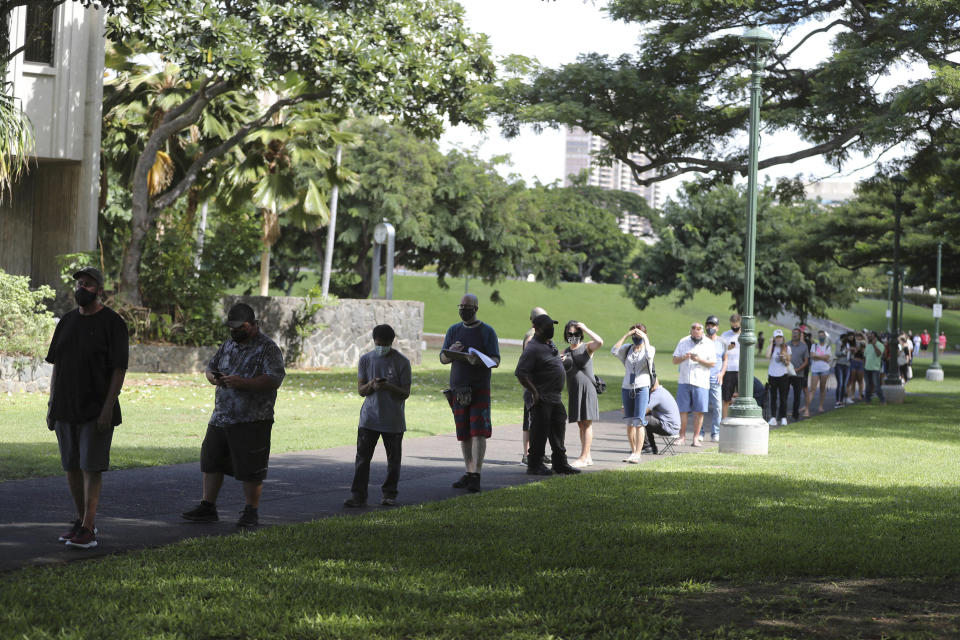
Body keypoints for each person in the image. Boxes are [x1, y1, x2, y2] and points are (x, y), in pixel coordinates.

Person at [45, 267, 128, 549]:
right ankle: (81, 522)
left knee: (91, 467)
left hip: (96, 409)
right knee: (71, 466)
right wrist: (51, 404)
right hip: (65, 407)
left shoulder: (113, 323)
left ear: (99, 290)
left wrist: (108, 407)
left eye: (88, 284)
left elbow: (119, 369)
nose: (82, 288)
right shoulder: (66, 322)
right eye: (79, 283)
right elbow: (57, 366)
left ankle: (89, 528)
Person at [182, 303, 286, 528]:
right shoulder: (228, 345)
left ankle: (251, 511)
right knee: (211, 460)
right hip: (221, 416)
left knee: (251, 468)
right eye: (232, 327)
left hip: (252, 419)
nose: (234, 331)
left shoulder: (268, 348)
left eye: (240, 327)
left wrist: (244, 383)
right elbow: (210, 368)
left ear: (254, 326)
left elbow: (274, 378)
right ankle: (207, 506)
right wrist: (214, 378)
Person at [344, 325, 411, 508]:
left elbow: (405, 392)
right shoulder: (366, 360)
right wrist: (371, 385)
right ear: (373, 341)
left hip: (393, 420)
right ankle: (358, 495)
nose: (381, 347)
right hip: (369, 418)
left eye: (385, 344)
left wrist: (388, 386)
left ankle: (390, 494)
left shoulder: (402, 362)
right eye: (378, 344)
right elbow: (361, 390)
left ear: (392, 342)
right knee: (362, 459)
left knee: (393, 461)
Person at [440, 293, 501, 493]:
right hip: (458, 388)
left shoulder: (487, 332)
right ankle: (468, 471)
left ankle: (477, 474)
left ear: (476, 308)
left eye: (467, 306)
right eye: (461, 306)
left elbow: (496, 360)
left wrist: (479, 360)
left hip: (479, 387)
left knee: (478, 433)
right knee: (463, 433)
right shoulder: (453, 330)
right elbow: (443, 358)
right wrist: (451, 350)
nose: (463, 309)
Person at [515, 314, 580, 476]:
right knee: (539, 432)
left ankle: (560, 463)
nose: (551, 329)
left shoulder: (549, 344)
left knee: (558, 428)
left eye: (552, 326)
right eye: (547, 327)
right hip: (542, 397)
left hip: (554, 397)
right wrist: (534, 392)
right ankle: (534, 464)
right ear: (536, 329)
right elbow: (521, 373)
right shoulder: (532, 348)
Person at [611, 323, 655, 462]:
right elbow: (613, 351)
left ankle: (638, 453)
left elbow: (649, 356)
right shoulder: (627, 348)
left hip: (642, 386)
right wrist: (626, 335)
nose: (636, 337)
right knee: (629, 422)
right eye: (635, 335)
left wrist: (645, 338)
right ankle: (632, 451)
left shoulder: (650, 348)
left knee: (639, 420)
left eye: (639, 335)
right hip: (627, 387)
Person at [562, 320, 603, 467]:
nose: (573, 336)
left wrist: (585, 328)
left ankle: (583, 457)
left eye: (576, 333)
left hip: (587, 389)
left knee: (586, 423)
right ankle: (588, 456)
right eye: (570, 333)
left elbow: (600, 341)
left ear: (580, 334)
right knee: (580, 424)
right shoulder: (565, 351)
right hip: (574, 390)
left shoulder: (587, 347)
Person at [672, 322, 715, 446]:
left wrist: (699, 360)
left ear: (702, 331)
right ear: (690, 331)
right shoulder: (683, 341)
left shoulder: (708, 343)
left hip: (701, 381)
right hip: (684, 380)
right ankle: (682, 437)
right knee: (683, 411)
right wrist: (684, 357)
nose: (696, 331)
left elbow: (712, 363)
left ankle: (696, 437)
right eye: (693, 328)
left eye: (698, 329)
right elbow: (674, 360)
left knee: (699, 411)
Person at [520, 307, 548, 464]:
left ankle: (537, 452)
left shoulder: (535, 335)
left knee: (536, 420)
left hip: (536, 383)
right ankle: (527, 454)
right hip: (533, 384)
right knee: (530, 420)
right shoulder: (531, 337)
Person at [640, 373, 681, 454]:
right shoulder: (661, 391)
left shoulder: (656, 394)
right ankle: (651, 447)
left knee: (640, 419)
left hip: (669, 427)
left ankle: (647, 447)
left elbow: (642, 412)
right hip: (673, 427)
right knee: (646, 418)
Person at [704, 315, 727, 442]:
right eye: (708, 325)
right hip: (702, 378)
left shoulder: (722, 342)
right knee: (701, 407)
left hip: (715, 379)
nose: (710, 327)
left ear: (717, 328)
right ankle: (700, 433)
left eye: (712, 325)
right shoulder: (702, 340)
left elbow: (725, 360)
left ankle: (715, 433)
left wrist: (722, 373)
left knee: (717, 407)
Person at [766, 329, 791, 427]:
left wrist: (784, 358)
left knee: (783, 398)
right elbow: (767, 356)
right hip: (772, 375)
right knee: (773, 397)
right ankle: (773, 417)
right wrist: (771, 343)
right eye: (777, 337)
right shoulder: (771, 347)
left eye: (780, 337)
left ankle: (783, 417)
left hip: (783, 375)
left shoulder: (786, 348)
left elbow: (788, 362)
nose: (779, 339)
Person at [720, 313, 742, 419]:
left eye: (736, 325)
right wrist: (728, 348)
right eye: (732, 325)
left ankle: (740, 419)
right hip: (728, 369)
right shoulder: (725, 335)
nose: (734, 327)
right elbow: (719, 350)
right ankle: (724, 422)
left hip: (741, 370)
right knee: (726, 398)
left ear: (740, 323)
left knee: (742, 398)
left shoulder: (744, 335)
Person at [787, 328, 810, 421]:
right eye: (793, 333)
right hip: (787, 374)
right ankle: (782, 414)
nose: (794, 335)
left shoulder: (804, 346)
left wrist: (798, 369)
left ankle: (795, 414)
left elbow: (806, 361)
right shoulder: (787, 345)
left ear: (800, 335)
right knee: (784, 394)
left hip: (799, 374)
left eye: (796, 333)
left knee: (797, 395)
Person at [808, 329, 833, 413]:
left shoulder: (827, 347)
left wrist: (817, 356)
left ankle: (821, 406)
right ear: (818, 337)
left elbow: (827, 357)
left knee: (822, 389)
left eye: (822, 336)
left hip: (824, 370)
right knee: (812, 389)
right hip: (815, 369)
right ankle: (807, 407)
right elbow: (812, 356)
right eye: (820, 336)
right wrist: (823, 357)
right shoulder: (814, 346)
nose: (821, 337)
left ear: (825, 337)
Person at [863, 331, 886, 404]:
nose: (869, 336)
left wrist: (874, 345)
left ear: (875, 337)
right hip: (867, 368)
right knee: (867, 385)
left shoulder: (880, 345)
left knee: (876, 385)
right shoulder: (868, 345)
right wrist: (864, 365)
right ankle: (867, 400)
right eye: (869, 335)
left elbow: (879, 354)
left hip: (875, 369)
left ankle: (882, 400)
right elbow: (865, 356)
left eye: (871, 335)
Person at [846, 332, 866, 402]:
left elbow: (864, 354)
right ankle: (853, 394)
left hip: (860, 362)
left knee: (860, 380)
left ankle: (860, 394)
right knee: (853, 380)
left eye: (859, 336)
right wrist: (854, 349)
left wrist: (862, 348)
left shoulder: (864, 344)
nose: (858, 338)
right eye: (857, 336)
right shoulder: (853, 343)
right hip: (853, 361)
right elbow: (851, 352)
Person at [833, 332, 851, 408]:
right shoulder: (839, 343)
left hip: (847, 365)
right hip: (839, 365)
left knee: (844, 384)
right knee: (840, 383)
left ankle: (842, 400)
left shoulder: (848, 345)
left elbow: (849, 356)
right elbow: (837, 353)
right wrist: (845, 352)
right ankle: (838, 401)